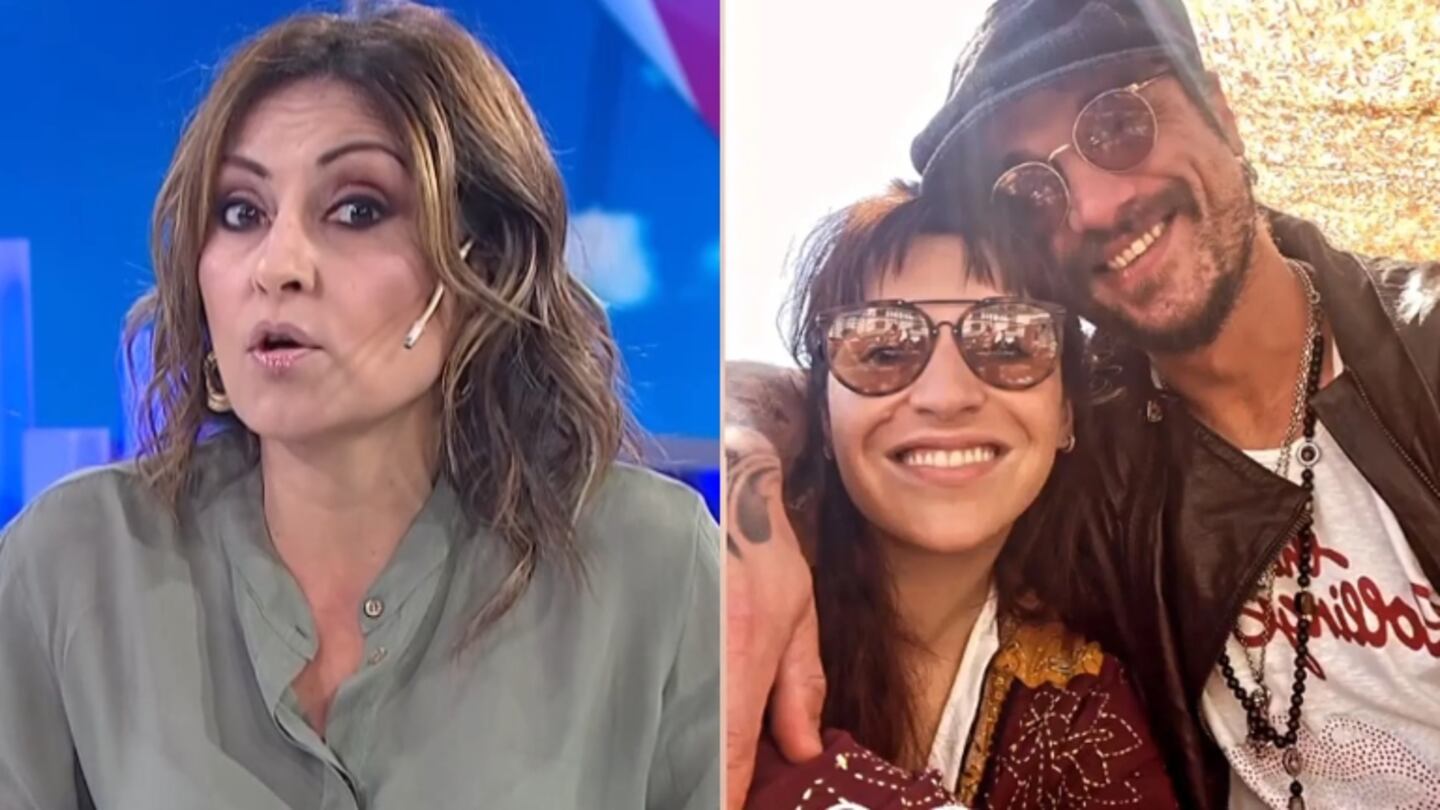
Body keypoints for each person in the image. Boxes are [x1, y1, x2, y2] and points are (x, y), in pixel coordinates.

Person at [725, 1, 1440, 809]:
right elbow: (839, 397)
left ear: (1222, 113)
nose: (1093, 206)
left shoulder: (1424, 356)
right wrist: (741, 459)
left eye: (1119, 124)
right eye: (1031, 193)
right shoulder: (1097, 451)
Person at [0, 5, 718, 808]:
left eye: (357, 209)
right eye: (241, 212)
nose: (277, 265)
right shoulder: (71, 562)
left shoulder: (654, 566)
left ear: (483, 266)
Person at [736, 183, 1176, 808]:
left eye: (1009, 344)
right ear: (824, 419)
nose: (946, 395)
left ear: (1066, 414)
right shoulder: (735, 601)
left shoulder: (1085, 713)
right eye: (884, 349)